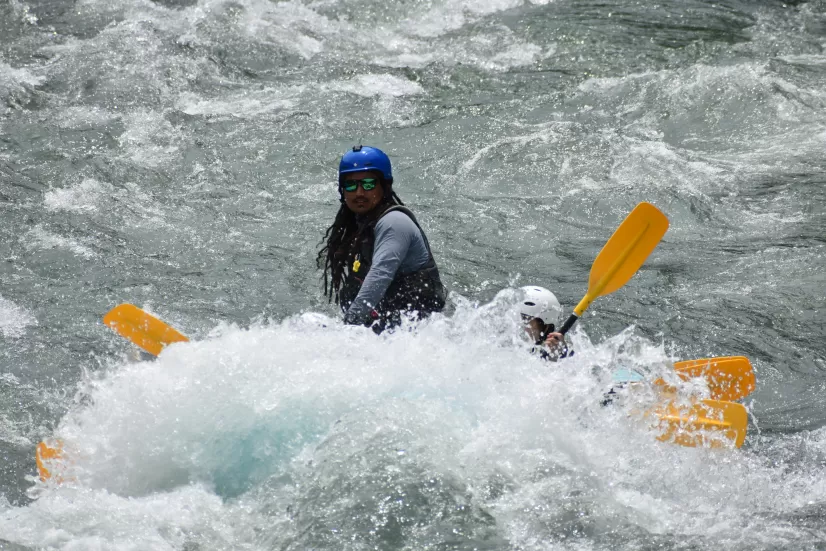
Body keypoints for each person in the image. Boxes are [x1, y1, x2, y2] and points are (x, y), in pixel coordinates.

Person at [317, 145, 447, 332]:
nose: (359, 193)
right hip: (388, 333)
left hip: (420, 337)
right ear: (342, 191)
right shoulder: (360, 226)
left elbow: (380, 275)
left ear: (385, 186)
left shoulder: (394, 223)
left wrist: (347, 328)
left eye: (368, 184)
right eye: (351, 185)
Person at [517, 286, 571, 361]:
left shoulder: (564, 356)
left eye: (526, 320)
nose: (519, 325)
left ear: (546, 328)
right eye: (516, 318)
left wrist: (555, 358)